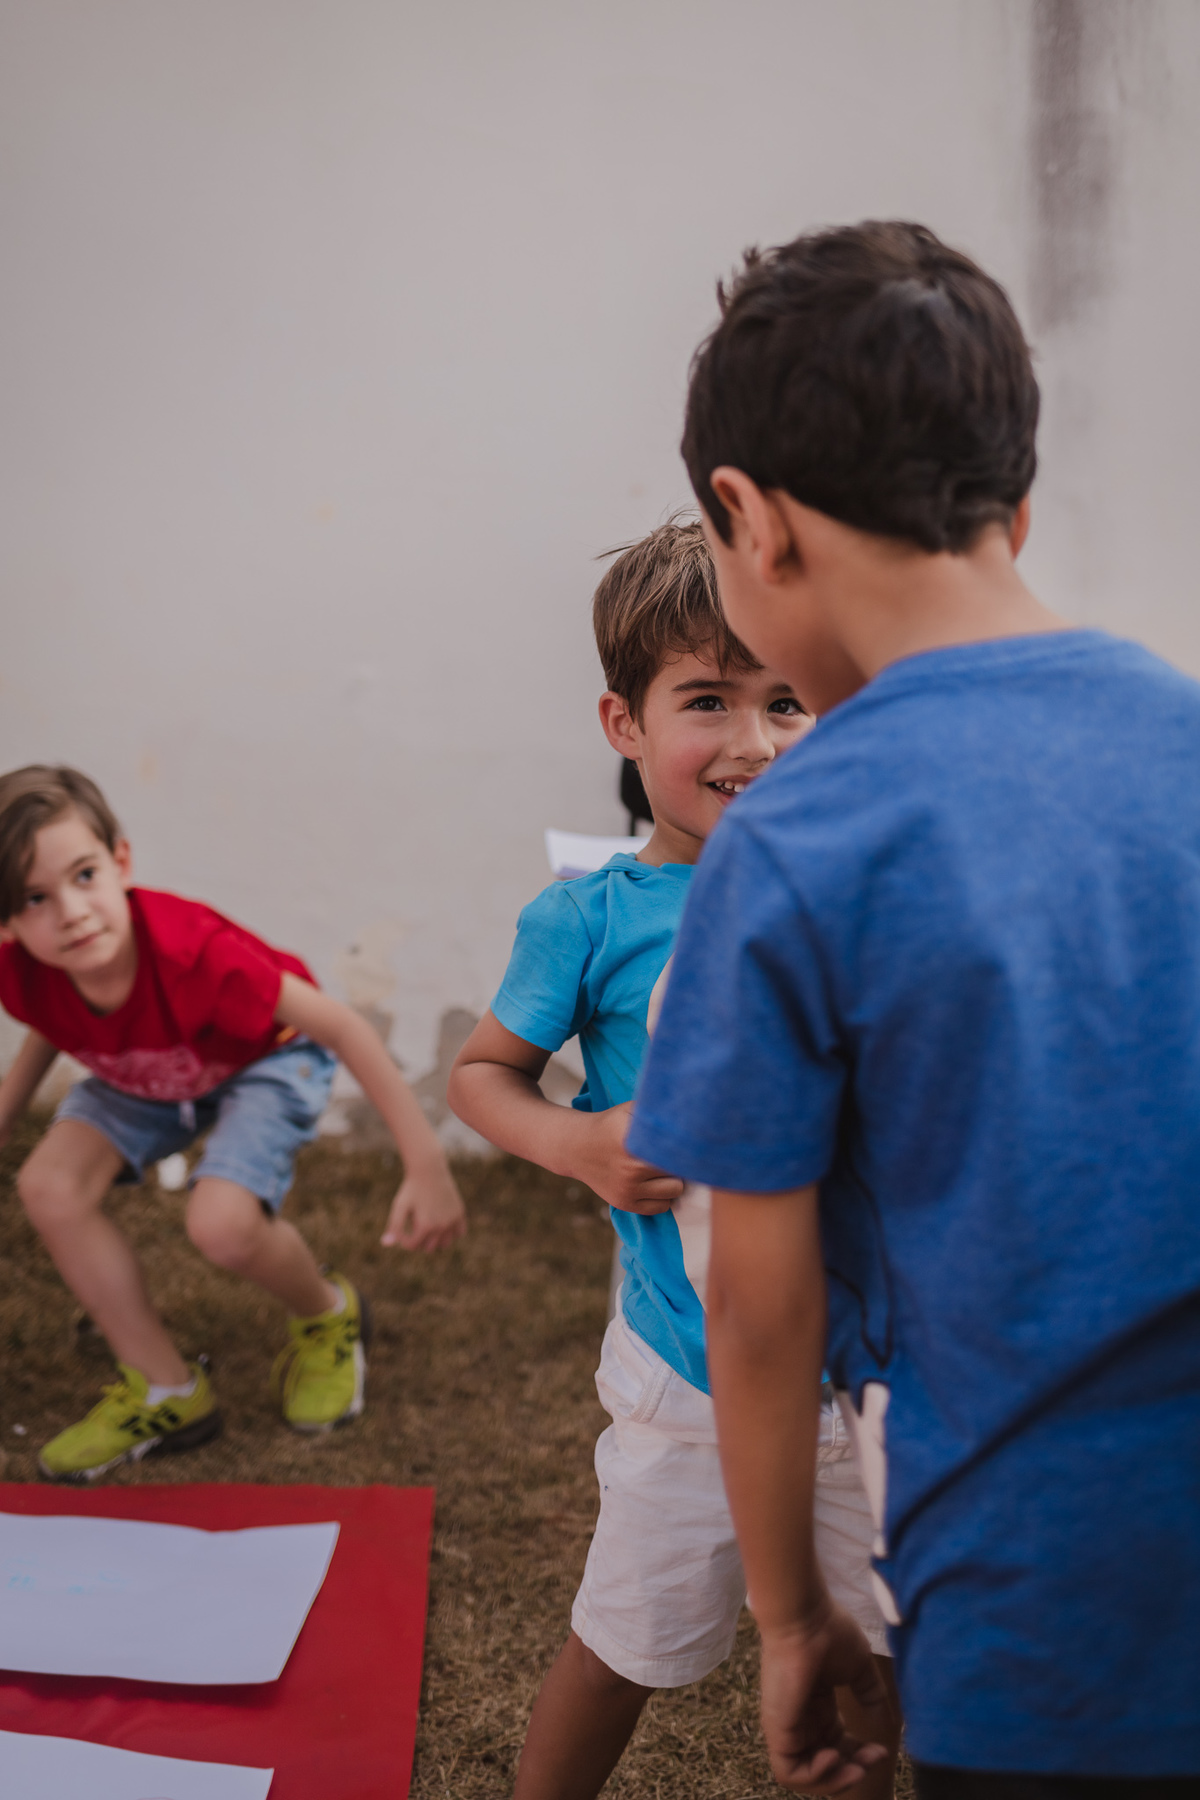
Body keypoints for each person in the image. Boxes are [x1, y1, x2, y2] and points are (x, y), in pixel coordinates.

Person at [628, 220, 1200, 1798]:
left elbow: (759, 1307)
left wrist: (792, 1617)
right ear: (1017, 503)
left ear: (750, 521)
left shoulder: (795, 847)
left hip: (1040, 1624)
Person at [448, 519, 899, 1800]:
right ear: (625, 725)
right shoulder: (590, 918)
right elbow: (481, 1075)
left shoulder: (864, 890)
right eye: (708, 700)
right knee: (623, 1649)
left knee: (869, 1663)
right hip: (689, 1382)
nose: (754, 741)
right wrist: (577, 1143)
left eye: (787, 700)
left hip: (873, 1377)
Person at [0, 764, 466, 1481]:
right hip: (148, 1070)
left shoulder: (194, 952)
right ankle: (166, 1390)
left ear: (120, 862)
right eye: (35, 898)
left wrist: (425, 1164)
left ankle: (327, 1313)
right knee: (49, 1186)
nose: (70, 911)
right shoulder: (26, 969)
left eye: (84, 875)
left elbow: (342, 1027)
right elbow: (50, 1017)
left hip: (264, 1059)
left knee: (222, 1224)